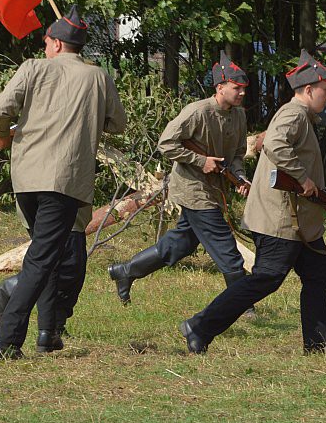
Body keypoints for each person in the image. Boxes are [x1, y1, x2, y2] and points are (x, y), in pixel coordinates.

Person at [0, 6, 126, 360]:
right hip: (64, 180)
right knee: (41, 260)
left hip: (26, 178)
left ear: (58, 44)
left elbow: (1, 109)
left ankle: (48, 333)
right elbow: (117, 124)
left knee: (44, 256)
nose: (45, 48)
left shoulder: (32, 68)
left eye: (47, 42)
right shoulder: (98, 77)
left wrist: (1, 134)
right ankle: (6, 340)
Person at [179, 50, 326, 355]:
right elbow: (275, 144)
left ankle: (320, 346)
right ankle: (200, 325)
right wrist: (304, 180)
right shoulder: (294, 114)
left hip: (300, 221)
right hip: (280, 220)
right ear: (308, 90)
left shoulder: (302, 116)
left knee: (319, 275)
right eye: (325, 89)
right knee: (266, 279)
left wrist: (320, 196)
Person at [107, 52, 252, 308]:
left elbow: (238, 154)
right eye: (236, 88)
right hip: (192, 189)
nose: (241, 93)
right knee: (224, 246)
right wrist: (201, 161)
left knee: (180, 244)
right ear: (220, 87)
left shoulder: (239, 116)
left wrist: (240, 177)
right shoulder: (197, 111)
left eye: (243, 89)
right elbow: (166, 144)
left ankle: (125, 271)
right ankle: (242, 303)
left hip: (215, 189)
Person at [0, 202, 92, 353]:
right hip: (58, 194)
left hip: (37, 191)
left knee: (57, 263)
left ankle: (52, 329)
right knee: (67, 266)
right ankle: (9, 290)